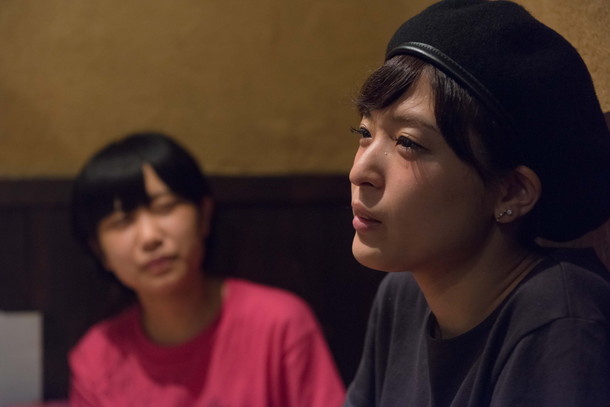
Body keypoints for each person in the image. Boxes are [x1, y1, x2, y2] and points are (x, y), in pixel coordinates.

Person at [343, 1, 610, 406]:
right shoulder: (403, 296)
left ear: (511, 192)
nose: (360, 171)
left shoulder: (561, 322)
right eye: (365, 132)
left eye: (407, 142)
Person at [68, 132, 345, 406]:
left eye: (165, 207)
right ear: (99, 251)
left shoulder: (279, 324)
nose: (150, 237)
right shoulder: (96, 357)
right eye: (123, 221)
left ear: (204, 216)